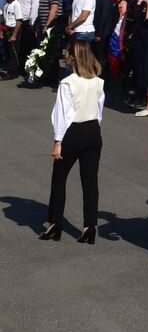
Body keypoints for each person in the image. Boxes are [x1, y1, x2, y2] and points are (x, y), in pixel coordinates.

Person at [40, 41, 106, 243]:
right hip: (93, 130)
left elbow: (62, 114)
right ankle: (90, 226)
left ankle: (54, 223)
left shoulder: (68, 83)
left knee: (59, 178)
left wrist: (57, 140)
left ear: (73, 58)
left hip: (73, 132)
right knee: (90, 180)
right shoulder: (98, 81)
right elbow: (100, 110)